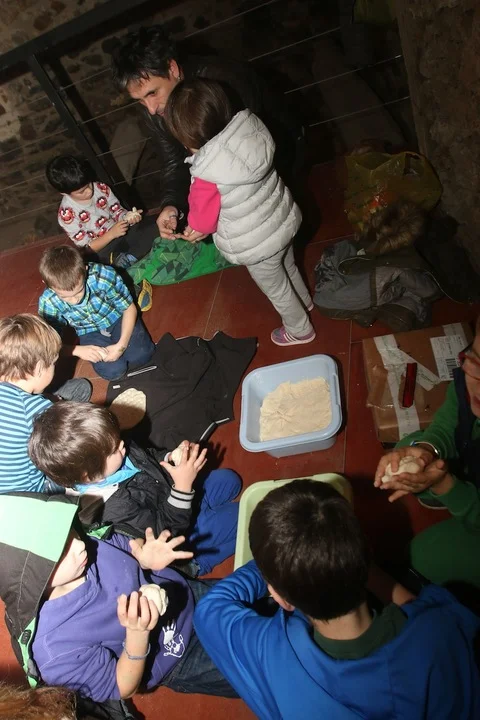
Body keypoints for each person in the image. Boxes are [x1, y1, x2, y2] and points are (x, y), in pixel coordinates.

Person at [194, 479, 480, 720]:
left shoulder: (270, 651)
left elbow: (209, 608)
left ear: (281, 598)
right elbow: (424, 609)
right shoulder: (439, 630)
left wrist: (283, 558)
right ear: (365, 551)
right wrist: (327, 554)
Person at [0, 493, 237, 704]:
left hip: (184, 594)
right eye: (61, 550)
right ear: (31, 583)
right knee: (254, 664)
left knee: (250, 605)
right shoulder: (53, 652)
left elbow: (127, 546)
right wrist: (138, 633)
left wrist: (144, 557)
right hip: (176, 657)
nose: (79, 544)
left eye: (68, 529)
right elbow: (121, 686)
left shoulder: (87, 547)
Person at [110, 25, 301, 241]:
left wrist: (211, 213)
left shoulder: (223, 81)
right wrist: (172, 205)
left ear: (172, 69)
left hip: (279, 166)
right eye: (140, 100)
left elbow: (256, 153)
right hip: (236, 193)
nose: (151, 109)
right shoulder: (154, 110)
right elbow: (173, 162)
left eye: (152, 92)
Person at [163, 78, 315, 347]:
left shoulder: (206, 174)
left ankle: (300, 329)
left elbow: (202, 222)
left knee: (277, 288)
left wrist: (193, 229)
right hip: (282, 220)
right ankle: (305, 302)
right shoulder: (251, 131)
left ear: (184, 136)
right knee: (288, 265)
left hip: (256, 243)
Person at [29, 401, 241, 576]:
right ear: (89, 475)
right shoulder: (110, 508)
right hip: (179, 541)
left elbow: (149, 457)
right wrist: (183, 488)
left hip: (169, 495)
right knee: (241, 516)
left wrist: (170, 458)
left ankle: (199, 509)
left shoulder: (114, 452)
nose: (122, 444)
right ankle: (199, 564)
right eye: (114, 448)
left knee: (230, 481)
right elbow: (163, 533)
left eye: (117, 436)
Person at [374, 317, 480, 589]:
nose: (478, 387)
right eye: (477, 360)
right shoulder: (468, 376)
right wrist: (426, 452)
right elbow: (448, 421)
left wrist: (447, 486)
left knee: (418, 560)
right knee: (409, 443)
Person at [0, 314, 91, 494]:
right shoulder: (38, 411)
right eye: (53, 364)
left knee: (80, 388)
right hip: (30, 494)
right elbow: (68, 445)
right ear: (40, 368)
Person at [38, 246, 155, 381]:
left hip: (117, 316)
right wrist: (77, 350)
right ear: (47, 284)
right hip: (87, 331)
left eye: (79, 291)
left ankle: (133, 288)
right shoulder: (48, 302)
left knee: (142, 356)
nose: (75, 300)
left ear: (85, 270)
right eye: (64, 297)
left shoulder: (104, 275)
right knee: (114, 371)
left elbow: (129, 308)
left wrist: (121, 346)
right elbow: (48, 344)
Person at [46, 155, 157, 269]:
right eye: (81, 192)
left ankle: (127, 258)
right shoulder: (67, 215)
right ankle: (126, 259)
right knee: (94, 262)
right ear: (64, 193)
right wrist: (111, 234)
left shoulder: (101, 188)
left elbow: (116, 210)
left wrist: (128, 217)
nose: (89, 191)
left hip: (120, 231)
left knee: (155, 225)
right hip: (102, 247)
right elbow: (87, 249)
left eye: (89, 184)